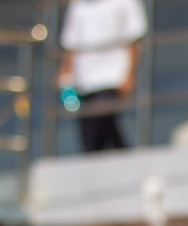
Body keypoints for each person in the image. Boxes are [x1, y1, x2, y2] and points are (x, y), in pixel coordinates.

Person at [59, 0, 149, 152]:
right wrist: (66, 71)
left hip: (112, 76)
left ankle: (123, 155)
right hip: (85, 80)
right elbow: (71, 44)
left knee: (101, 119)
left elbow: (134, 41)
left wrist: (130, 75)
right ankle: (119, 157)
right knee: (90, 131)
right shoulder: (78, 5)